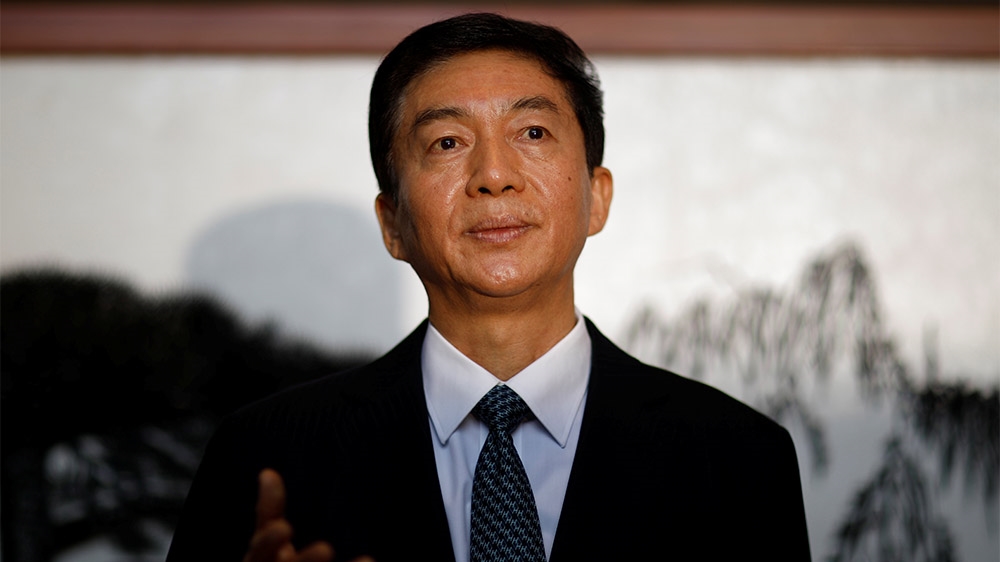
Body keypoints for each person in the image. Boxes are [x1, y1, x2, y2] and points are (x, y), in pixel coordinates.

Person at [166, 12, 810, 562]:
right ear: (393, 223)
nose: (494, 175)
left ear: (597, 198)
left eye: (532, 133)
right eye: (447, 142)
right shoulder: (265, 452)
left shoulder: (737, 456)